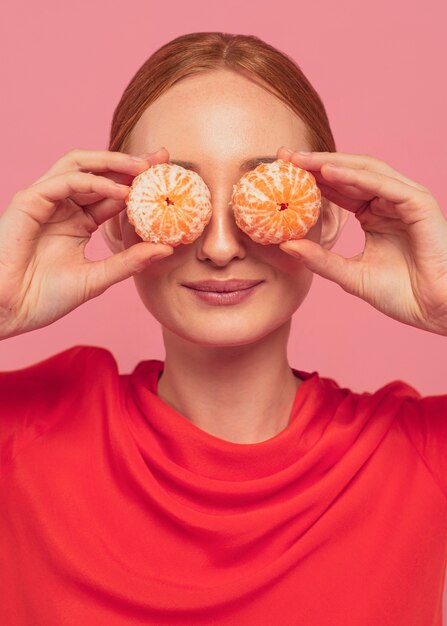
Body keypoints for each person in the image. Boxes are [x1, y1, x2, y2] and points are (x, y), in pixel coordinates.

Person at [1, 31, 446, 626]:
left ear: (327, 215)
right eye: (177, 194)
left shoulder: (419, 454)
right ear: (119, 222)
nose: (217, 246)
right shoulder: (24, 432)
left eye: (257, 191)